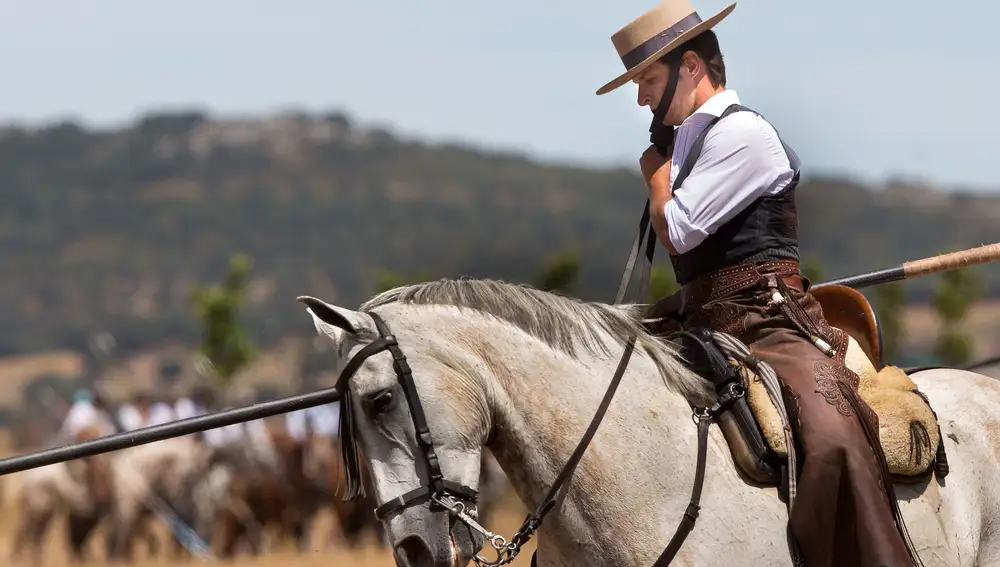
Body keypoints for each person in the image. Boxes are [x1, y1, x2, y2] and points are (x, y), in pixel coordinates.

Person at [597, 2, 918, 566]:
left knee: (833, 436)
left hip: (767, 321)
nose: (642, 98)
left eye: (647, 80)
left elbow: (680, 228)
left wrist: (655, 174)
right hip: (703, 319)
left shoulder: (742, 133)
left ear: (690, 66)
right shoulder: (689, 143)